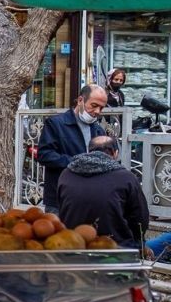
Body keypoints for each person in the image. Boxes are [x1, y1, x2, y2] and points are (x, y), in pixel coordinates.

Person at [58, 136, 148, 249]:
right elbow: (140, 219)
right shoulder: (126, 177)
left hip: (72, 244)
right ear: (115, 153)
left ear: (88, 152)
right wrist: (139, 242)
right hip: (116, 247)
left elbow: (61, 209)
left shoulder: (66, 174)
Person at [37, 84, 107, 214]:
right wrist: (76, 163)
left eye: (101, 108)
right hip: (60, 199)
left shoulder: (98, 130)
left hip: (90, 198)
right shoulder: (56, 124)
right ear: (80, 100)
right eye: (94, 105)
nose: (97, 111)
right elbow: (44, 155)